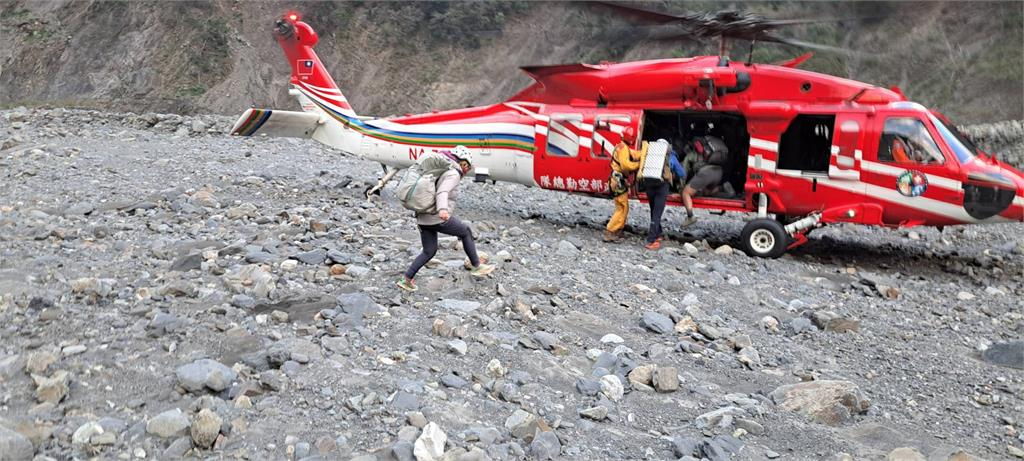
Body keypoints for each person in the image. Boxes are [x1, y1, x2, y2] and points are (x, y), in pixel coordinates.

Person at [396, 145, 495, 292]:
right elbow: (442, 192)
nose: (467, 170)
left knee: (429, 251)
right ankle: (476, 266)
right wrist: (443, 209)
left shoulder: (441, 170)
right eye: (467, 166)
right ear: (463, 163)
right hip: (436, 217)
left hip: (423, 217)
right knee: (465, 231)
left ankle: (406, 280)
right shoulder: (453, 173)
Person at [603, 127, 646, 242]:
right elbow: (626, 166)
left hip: (617, 181)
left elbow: (634, 154)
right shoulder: (623, 149)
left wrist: (644, 153)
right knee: (621, 207)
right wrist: (639, 164)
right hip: (618, 181)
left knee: (623, 207)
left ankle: (618, 230)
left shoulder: (622, 147)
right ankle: (610, 231)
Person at [638, 139, 679, 250]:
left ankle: (658, 233)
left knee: (653, 210)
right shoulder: (671, 157)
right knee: (657, 213)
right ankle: (651, 240)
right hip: (662, 187)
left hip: (649, 185)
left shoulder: (649, 155)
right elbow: (682, 173)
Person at [680, 136, 728, 227]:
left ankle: (690, 216)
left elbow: (684, 170)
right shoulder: (715, 141)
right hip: (719, 172)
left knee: (686, 193)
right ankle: (722, 187)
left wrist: (682, 187)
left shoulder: (694, 150)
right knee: (705, 192)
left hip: (706, 173)